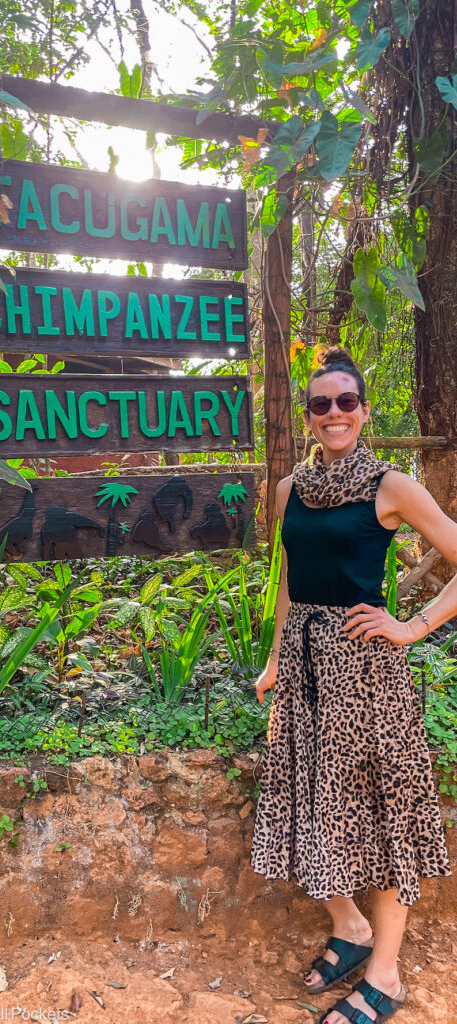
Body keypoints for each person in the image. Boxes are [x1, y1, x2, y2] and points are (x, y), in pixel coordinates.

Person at [251, 347, 453, 1024]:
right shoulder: (290, 489)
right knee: (308, 802)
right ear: (310, 416)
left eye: (345, 402)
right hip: (306, 674)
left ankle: (387, 976)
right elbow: (289, 580)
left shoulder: (391, 487)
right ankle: (353, 930)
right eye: (320, 404)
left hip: (368, 678)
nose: (333, 413)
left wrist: (412, 625)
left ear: (364, 412)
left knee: (389, 816)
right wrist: (276, 660)